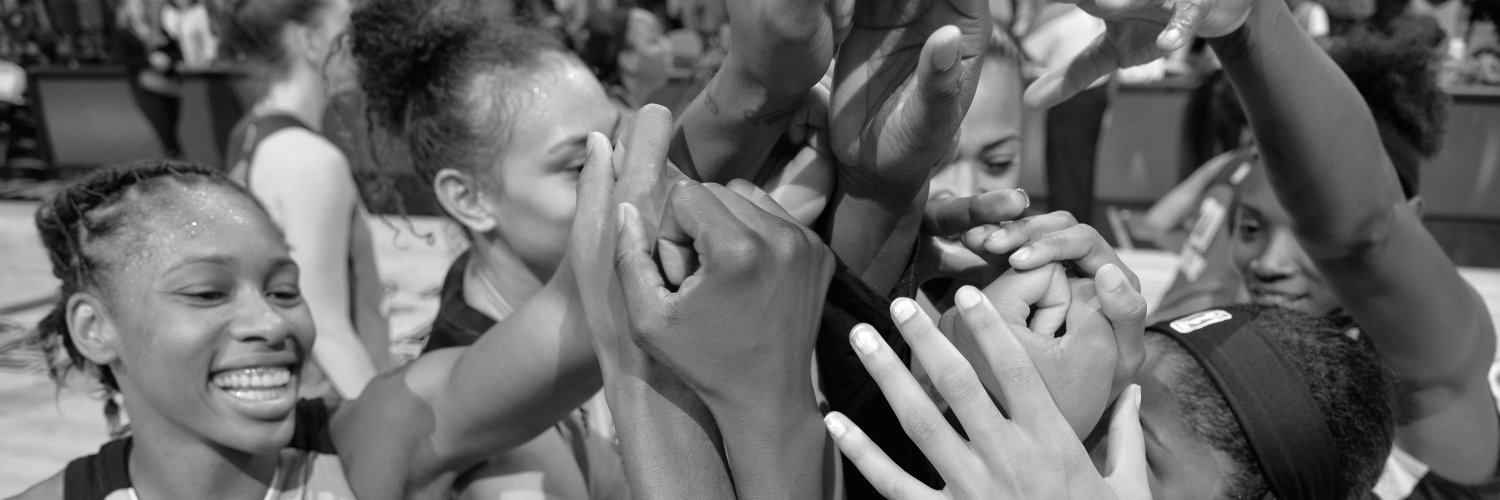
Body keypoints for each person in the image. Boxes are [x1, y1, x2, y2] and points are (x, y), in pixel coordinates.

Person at [5, 158, 697, 499]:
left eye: (283, 287)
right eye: (207, 292)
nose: (269, 320)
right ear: (95, 328)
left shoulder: (363, 449)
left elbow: (569, 317)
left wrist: (751, 89)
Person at [1027, 0, 1498, 494]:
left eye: (1310, 241)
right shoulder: (1216, 346)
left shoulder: (1437, 372)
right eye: (1250, 228)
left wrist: (1247, 27)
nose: (1270, 265)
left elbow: (1363, 235)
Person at [349, 2, 627, 497]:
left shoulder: (486, 284)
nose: (621, 178)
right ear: (469, 198)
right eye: (578, 165)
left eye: (620, 145)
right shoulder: (506, 457)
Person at [214, 0, 388, 400]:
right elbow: (326, 327)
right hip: (332, 402)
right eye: (347, 29)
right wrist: (382, 421)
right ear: (309, 41)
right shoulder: (310, 161)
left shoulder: (250, 130)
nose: (360, 46)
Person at [577, 6, 675, 111]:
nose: (668, 46)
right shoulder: (619, 120)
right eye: (654, 41)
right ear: (629, 62)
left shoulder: (620, 112)